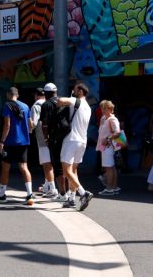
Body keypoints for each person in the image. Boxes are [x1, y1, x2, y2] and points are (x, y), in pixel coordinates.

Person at [57, 82, 93, 211]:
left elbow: (60, 100)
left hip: (71, 139)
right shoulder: (88, 107)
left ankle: (83, 193)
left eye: (75, 90)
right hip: (82, 141)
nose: (73, 91)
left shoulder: (75, 100)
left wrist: (60, 99)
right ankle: (71, 198)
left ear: (80, 92)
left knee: (66, 170)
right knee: (74, 170)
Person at [0, 87, 35, 205]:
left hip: (9, 142)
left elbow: (7, 125)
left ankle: (2, 194)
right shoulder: (26, 106)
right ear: (17, 95)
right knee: (24, 167)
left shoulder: (6, 106)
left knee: (5, 167)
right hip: (23, 142)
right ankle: (29, 194)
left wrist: (1, 142)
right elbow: (31, 125)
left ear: (8, 94)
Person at [40, 83, 68, 201]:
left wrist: (46, 138)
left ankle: (62, 194)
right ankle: (69, 193)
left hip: (55, 138)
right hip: (67, 136)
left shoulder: (46, 104)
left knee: (57, 166)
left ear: (46, 94)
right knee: (67, 165)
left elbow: (44, 124)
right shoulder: (64, 102)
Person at [31, 87, 57, 198]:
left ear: (36, 95)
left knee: (46, 164)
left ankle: (52, 188)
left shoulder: (36, 106)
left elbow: (34, 123)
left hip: (43, 138)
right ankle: (47, 185)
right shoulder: (52, 103)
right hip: (54, 137)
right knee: (52, 162)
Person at [96, 100, 121, 195]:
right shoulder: (104, 118)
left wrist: (107, 138)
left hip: (108, 146)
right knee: (111, 167)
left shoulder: (112, 119)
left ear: (111, 109)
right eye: (102, 108)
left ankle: (109, 188)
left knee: (109, 168)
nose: (103, 110)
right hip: (105, 146)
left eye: (105, 108)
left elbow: (117, 132)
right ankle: (113, 187)